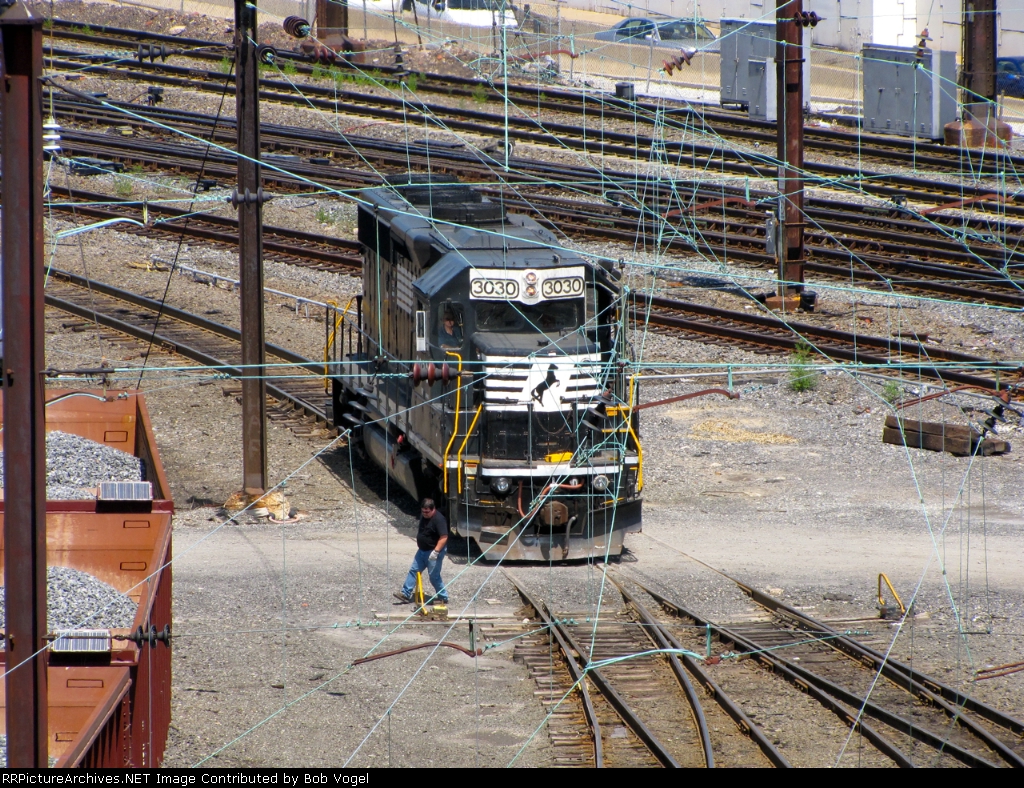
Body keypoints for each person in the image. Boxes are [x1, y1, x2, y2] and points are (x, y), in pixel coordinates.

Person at [395, 498, 449, 605]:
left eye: (427, 512)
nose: (425, 514)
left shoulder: (439, 519)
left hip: (433, 552)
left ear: (433, 509)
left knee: (434, 576)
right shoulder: (424, 516)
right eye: (423, 512)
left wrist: (436, 551)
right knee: (414, 570)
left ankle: (443, 597)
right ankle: (405, 594)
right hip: (422, 551)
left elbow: (444, 537)